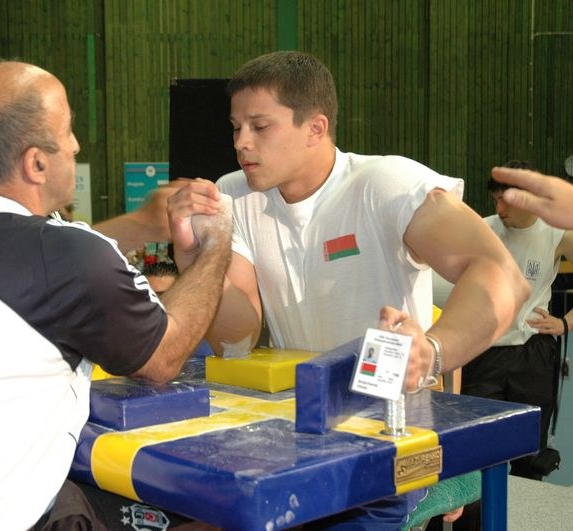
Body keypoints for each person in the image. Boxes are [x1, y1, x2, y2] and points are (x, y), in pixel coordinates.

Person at [169, 50, 529, 529]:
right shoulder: (235, 193)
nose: (241, 142)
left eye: (260, 126)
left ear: (315, 128)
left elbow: (501, 274)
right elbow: (237, 335)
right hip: (296, 427)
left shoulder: (385, 183)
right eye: (236, 128)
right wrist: (196, 257)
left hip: (389, 428)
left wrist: (433, 351)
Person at [0, 60, 231, 531]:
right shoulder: (68, 259)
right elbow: (165, 355)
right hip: (9, 522)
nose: (77, 144)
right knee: (214, 517)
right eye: (68, 130)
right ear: (36, 163)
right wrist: (218, 243)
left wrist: (143, 224)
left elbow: (39, 267)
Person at [461, 161, 573, 479]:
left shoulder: (557, 234)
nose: (500, 209)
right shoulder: (482, 229)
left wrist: (566, 323)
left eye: (506, 201)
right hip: (485, 351)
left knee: (529, 453)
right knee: (475, 449)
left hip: (532, 353)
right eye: (496, 200)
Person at [492, 166, 573, 230]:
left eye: (506, 201)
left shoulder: (561, 236)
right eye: (495, 201)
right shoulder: (485, 228)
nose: (498, 210)